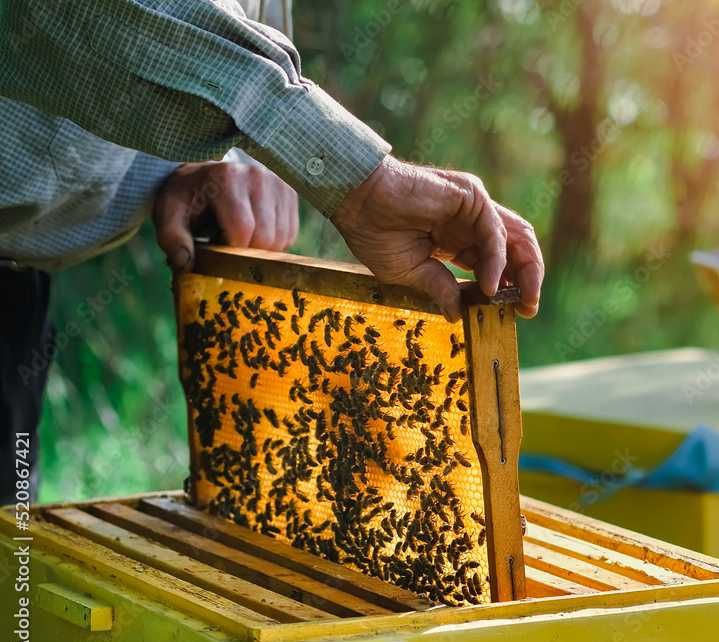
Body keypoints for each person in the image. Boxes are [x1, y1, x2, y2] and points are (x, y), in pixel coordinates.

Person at [0, 0, 544, 503]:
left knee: (9, 579)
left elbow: (218, 52)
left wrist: (200, 166)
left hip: (19, 294)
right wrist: (359, 179)